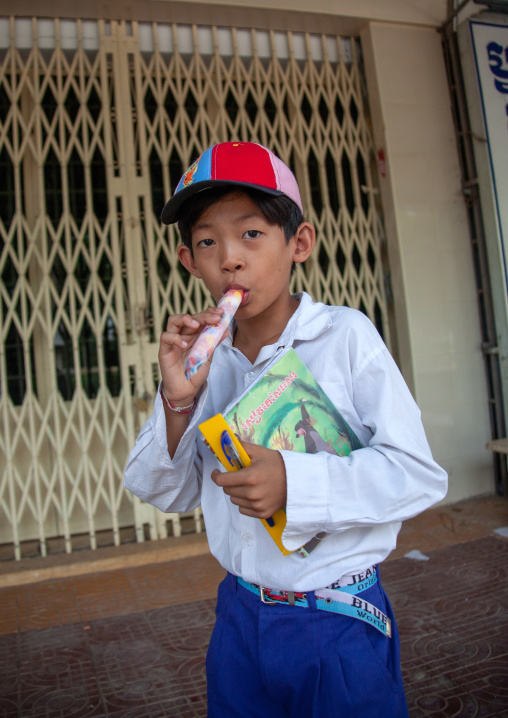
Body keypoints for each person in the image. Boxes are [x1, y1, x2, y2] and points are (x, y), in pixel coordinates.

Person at [124, 141, 448, 717]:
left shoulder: (344, 336)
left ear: (299, 242)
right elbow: (163, 492)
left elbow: (418, 476)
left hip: (338, 620)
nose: (229, 258)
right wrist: (178, 402)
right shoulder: (205, 362)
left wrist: (294, 484)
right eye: (207, 241)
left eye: (252, 234)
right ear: (187, 259)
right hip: (239, 617)